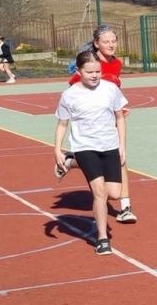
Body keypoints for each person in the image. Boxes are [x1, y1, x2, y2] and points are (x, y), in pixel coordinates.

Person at [52, 50, 129, 255]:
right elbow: (62, 124)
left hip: (109, 145)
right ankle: (102, 238)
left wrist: (122, 145)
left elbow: (120, 118)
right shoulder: (69, 95)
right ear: (79, 71)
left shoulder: (111, 89)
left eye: (97, 71)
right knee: (99, 192)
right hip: (85, 147)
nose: (94, 75)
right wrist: (57, 149)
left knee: (114, 193)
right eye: (89, 72)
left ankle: (70, 163)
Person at [58, 25, 135, 222]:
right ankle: (125, 207)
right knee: (118, 162)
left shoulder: (116, 63)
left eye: (113, 41)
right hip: (92, 124)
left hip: (113, 119)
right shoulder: (89, 64)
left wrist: (118, 108)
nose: (111, 45)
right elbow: (75, 88)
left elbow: (113, 91)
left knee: (122, 158)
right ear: (96, 44)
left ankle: (125, 207)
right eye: (106, 42)